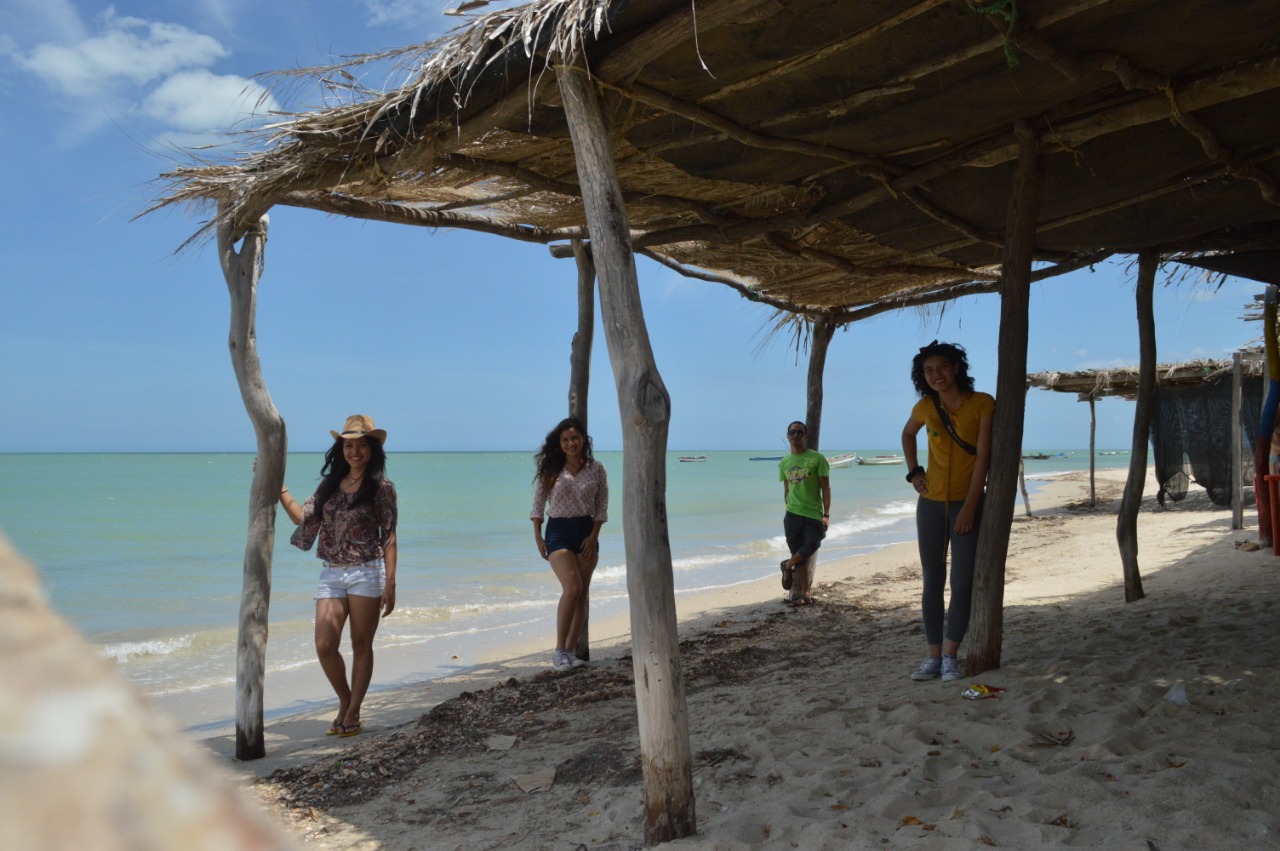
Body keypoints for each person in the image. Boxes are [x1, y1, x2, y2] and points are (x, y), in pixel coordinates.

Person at [280, 414, 397, 737]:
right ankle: (346, 701)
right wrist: (280, 488)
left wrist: (391, 582)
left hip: (367, 572)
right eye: (348, 445)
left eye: (361, 445)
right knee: (324, 645)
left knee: (362, 644)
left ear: (372, 449)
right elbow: (303, 520)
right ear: (340, 449)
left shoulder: (382, 489)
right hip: (331, 574)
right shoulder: (328, 486)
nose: (354, 452)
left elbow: (389, 536)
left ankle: (354, 711)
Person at [901, 342, 994, 683]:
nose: (935, 375)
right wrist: (915, 472)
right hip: (930, 505)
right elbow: (907, 434)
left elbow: (982, 458)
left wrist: (970, 506)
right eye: (928, 370)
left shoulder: (982, 404)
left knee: (962, 581)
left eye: (941, 367)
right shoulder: (925, 406)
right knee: (932, 581)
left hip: (965, 502)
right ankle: (932, 657)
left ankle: (951, 656)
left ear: (956, 367)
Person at [531, 417, 609, 672]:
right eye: (565, 440)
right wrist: (538, 536)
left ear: (583, 440)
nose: (570, 443)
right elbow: (537, 504)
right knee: (572, 588)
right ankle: (559, 651)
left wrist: (593, 536)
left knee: (582, 593)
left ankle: (572, 651)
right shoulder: (551, 469)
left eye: (574, 438)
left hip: (587, 531)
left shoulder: (596, 468)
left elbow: (601, 507)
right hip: (558, 531)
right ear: (559, 443)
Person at [779, 421, 830, 606]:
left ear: (805, 436)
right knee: (798, 552)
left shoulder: (817, 459)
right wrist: (788, 508)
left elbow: (826, 487)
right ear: (788, 435)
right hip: (792, 514)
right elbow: (786, 488)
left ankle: (787, 565)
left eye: (800, 432)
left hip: (813, 513)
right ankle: (805, 595)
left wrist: (826, 514)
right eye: (792, 432)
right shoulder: (785, 462)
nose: (796, 435)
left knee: (813, 543)